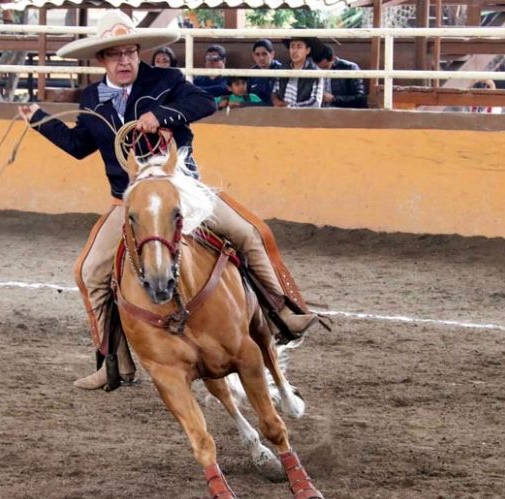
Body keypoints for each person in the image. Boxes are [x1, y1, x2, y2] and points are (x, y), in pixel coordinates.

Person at [17, 11, 321, 390]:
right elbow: (80, 146)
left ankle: (282, 312)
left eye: (130, 52)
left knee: (245, 232)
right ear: (101, 60)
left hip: (182, 189)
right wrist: (38, 119)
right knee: (90, 272)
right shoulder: (92, 97)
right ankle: (114, 362)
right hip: (128, 201)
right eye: (115, 55)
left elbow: (203, 103)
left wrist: (159, 114)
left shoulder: (166, 80)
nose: (125, 60)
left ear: (138, 52)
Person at [313, 43, 367, 109]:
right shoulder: (310, 68)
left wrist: (333, 98)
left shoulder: (350, 68)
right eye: (318, 68)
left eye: (325, 67)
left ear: (333, 58)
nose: (322, 71)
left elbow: (360, 99)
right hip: (317, 113)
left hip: (342, 114)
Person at [274, 37, 323, 109]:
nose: (295, 51)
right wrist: (276, 101)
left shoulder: (315, 72)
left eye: (299, 47)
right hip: (282, 115)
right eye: (292, 46)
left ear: (307, 50)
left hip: (304, 117)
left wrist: (289, 107)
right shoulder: (283, 69)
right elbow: (275, 91)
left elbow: (315, 103)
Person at [248, 39, 282, 104]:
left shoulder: (281, 71)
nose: (261, 58)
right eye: (257, 54)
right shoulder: (252, 73)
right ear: (253, 56)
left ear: (272, 54)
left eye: (264, 54)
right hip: (256, 111)